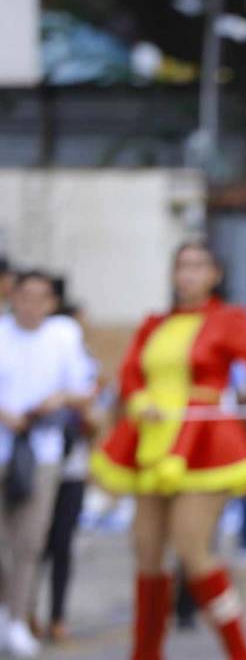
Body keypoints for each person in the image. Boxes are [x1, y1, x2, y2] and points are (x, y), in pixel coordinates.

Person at [90, 241, 246, 660]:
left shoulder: (228, 319)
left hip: (204, 443)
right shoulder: (154, 324)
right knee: (146, 549)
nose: (188, 274)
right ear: (173, 274)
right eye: (182, 266)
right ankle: (145, 653)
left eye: (198, 266)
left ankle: (242, 653)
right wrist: (137, 402)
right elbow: (131, 375)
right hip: (153, 441)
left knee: (192, 549)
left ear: (214, 275)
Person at [0, 271, 93, 658]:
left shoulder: (64, 335)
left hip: (43, 450)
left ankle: (19, 617)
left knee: (32, 540)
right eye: (25, 295)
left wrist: (56, 401)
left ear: (51, 302)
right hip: (4, 445)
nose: (31, 304)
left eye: (40, 297)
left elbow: (85, 388)